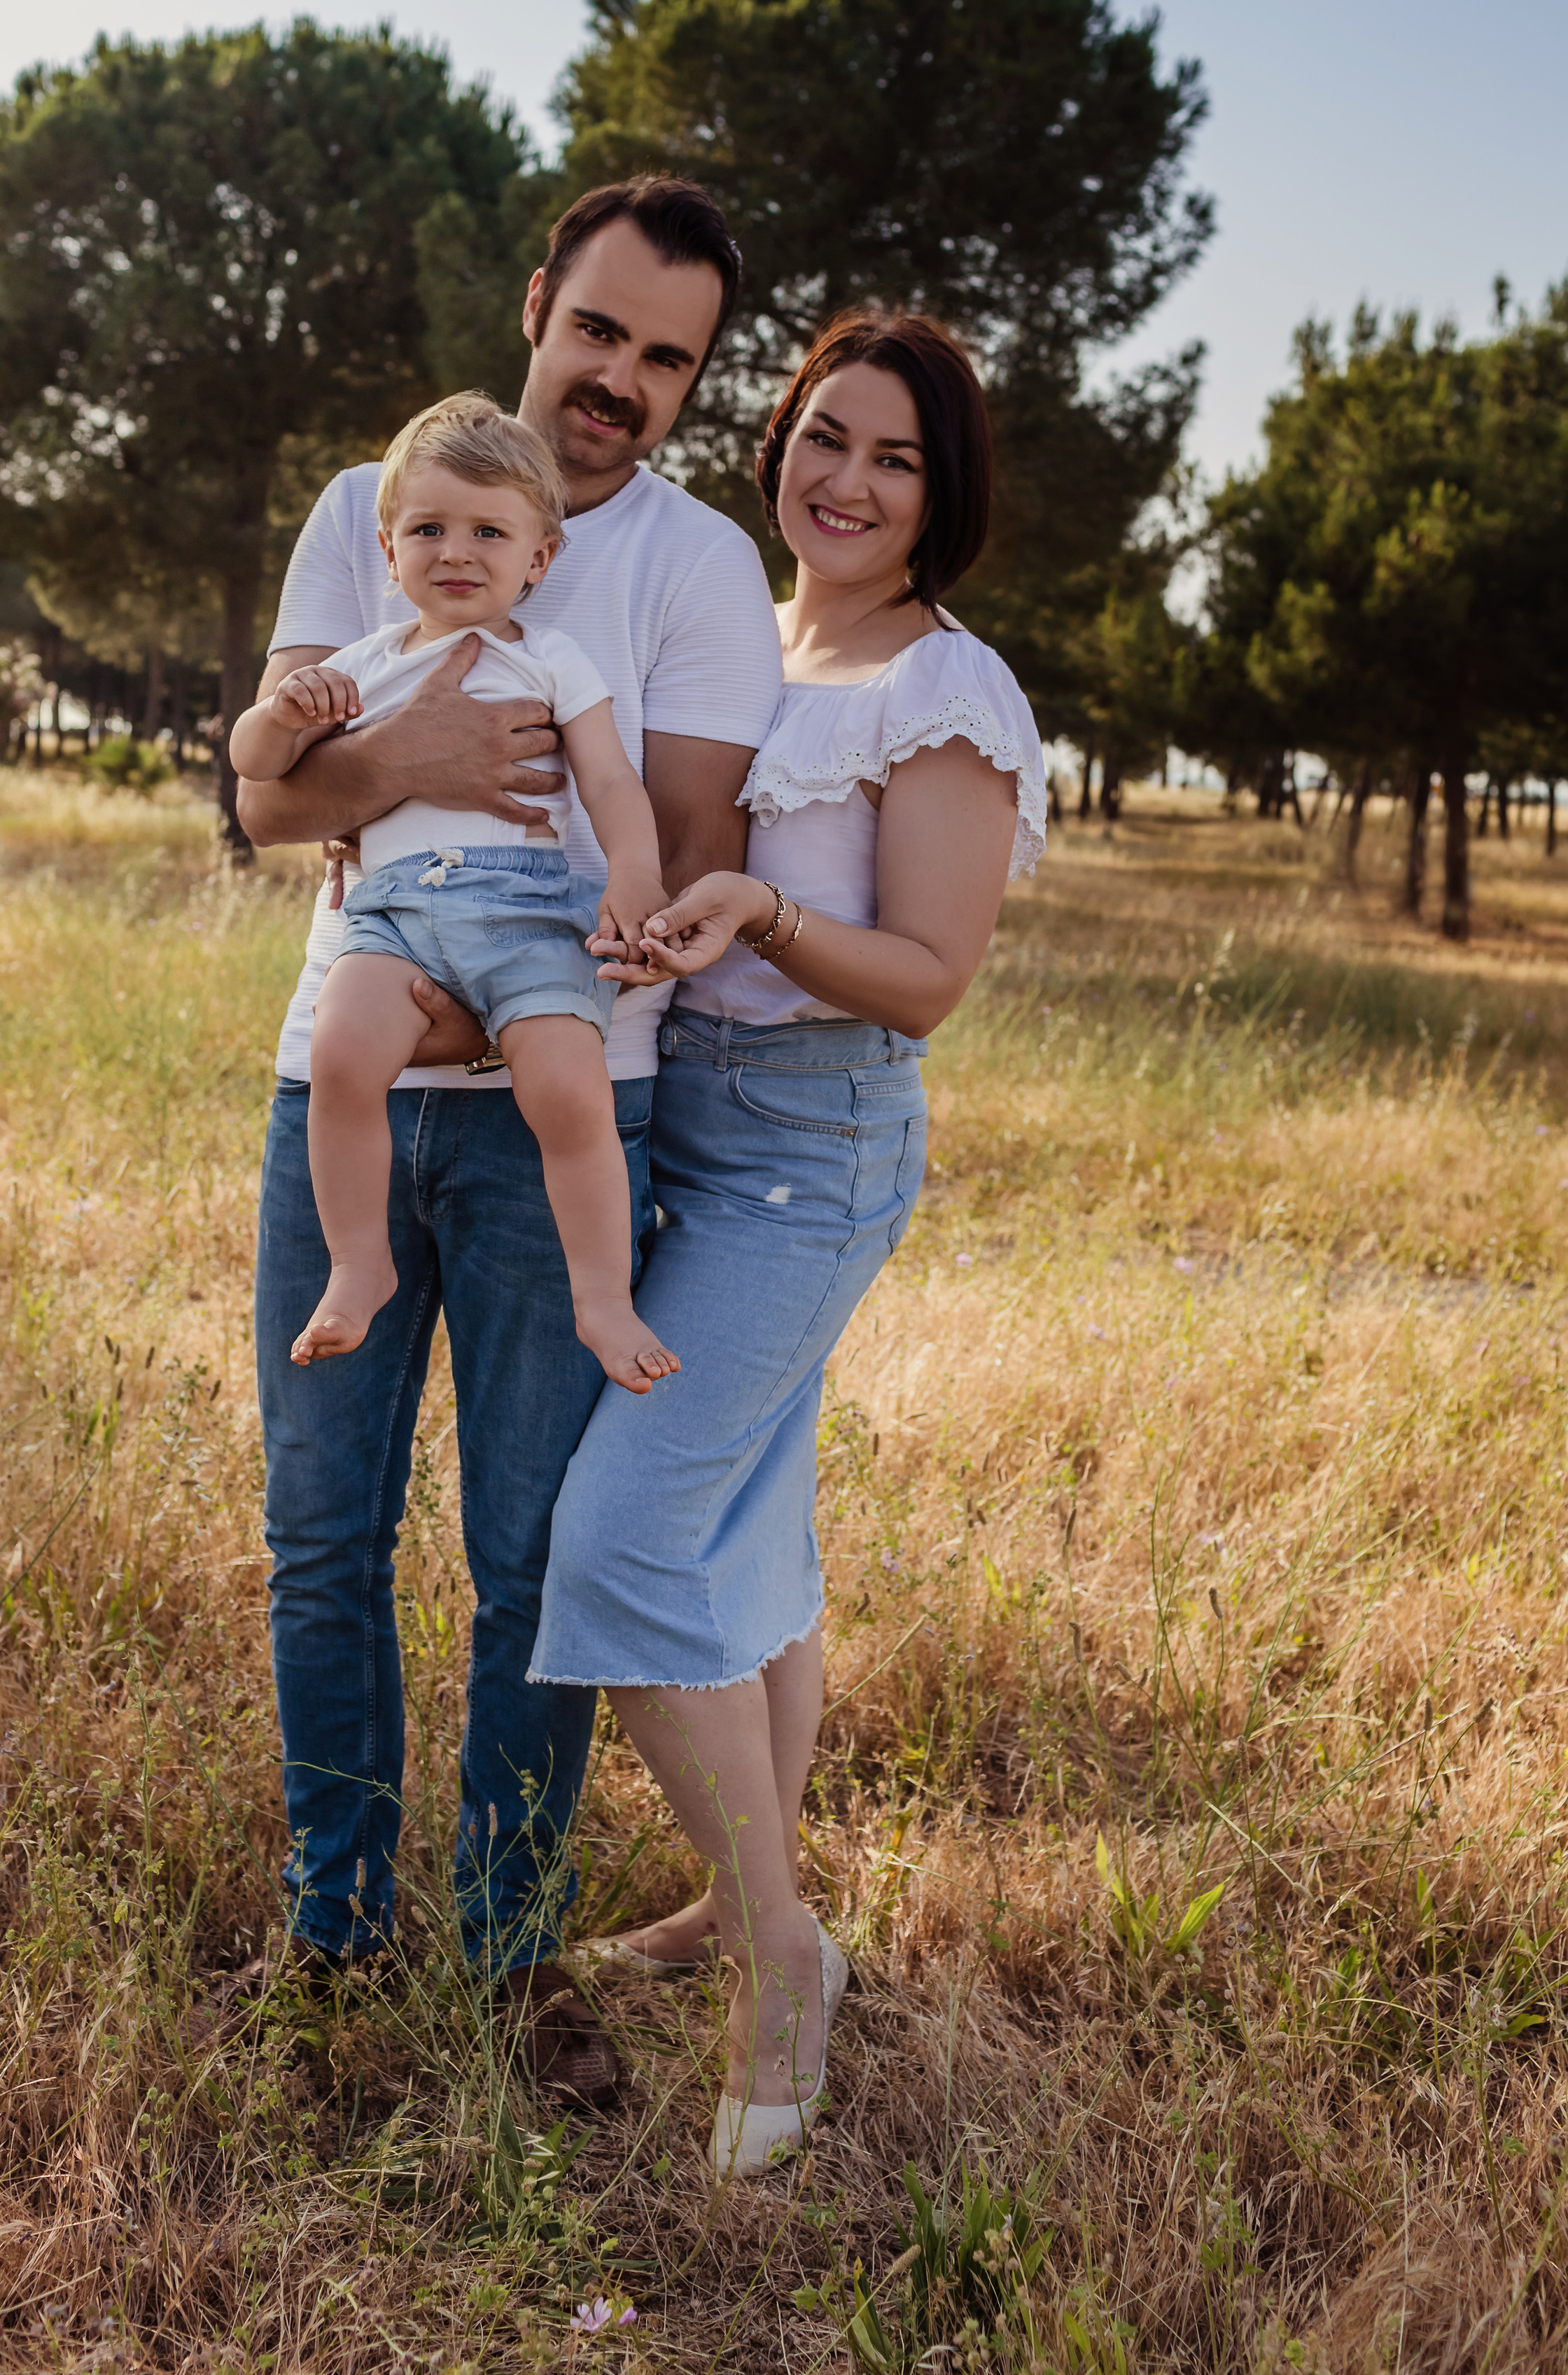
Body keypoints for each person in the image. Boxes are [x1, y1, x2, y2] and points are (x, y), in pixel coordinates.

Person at [235, 178, 783, 2101]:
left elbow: (680, 840)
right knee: (322, 1532)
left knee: (528, 1554)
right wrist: (420, 765)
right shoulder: (369, 500)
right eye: (601, 330)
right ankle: (331, 1930)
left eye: (668, 359)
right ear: (541, 304)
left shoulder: (697, 567)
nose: (622, 378)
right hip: (348, 1081)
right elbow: (270, 793)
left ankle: (506, 1946)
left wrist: (432, 880)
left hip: (567, 1096)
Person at [530, 309, 1048, 2176]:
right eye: (825, 435)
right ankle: (725, 1897)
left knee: (623, 1534)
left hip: (814, 1150)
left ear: (942, 493)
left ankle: (777, 1956)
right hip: (680, 1118)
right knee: (750, 1532)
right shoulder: (749, 638)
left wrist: (756, 914)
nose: (845, 479)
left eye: (895, 458)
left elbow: (927, 979)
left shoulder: (946, 687)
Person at [230, 395, 678, 1392]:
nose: (456, 552)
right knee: (342, 1053)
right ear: (388, 551)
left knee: (570, 1089)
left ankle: (601, 1298)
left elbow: (611, 783)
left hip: (526, 913)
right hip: (392, 914)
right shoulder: (363, 665)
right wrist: (284, 714)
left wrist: (635, 875)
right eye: (428, 529)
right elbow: (254, 765)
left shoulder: (552, 661)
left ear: (540, 558)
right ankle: (359, 1265)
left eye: (489, 532)